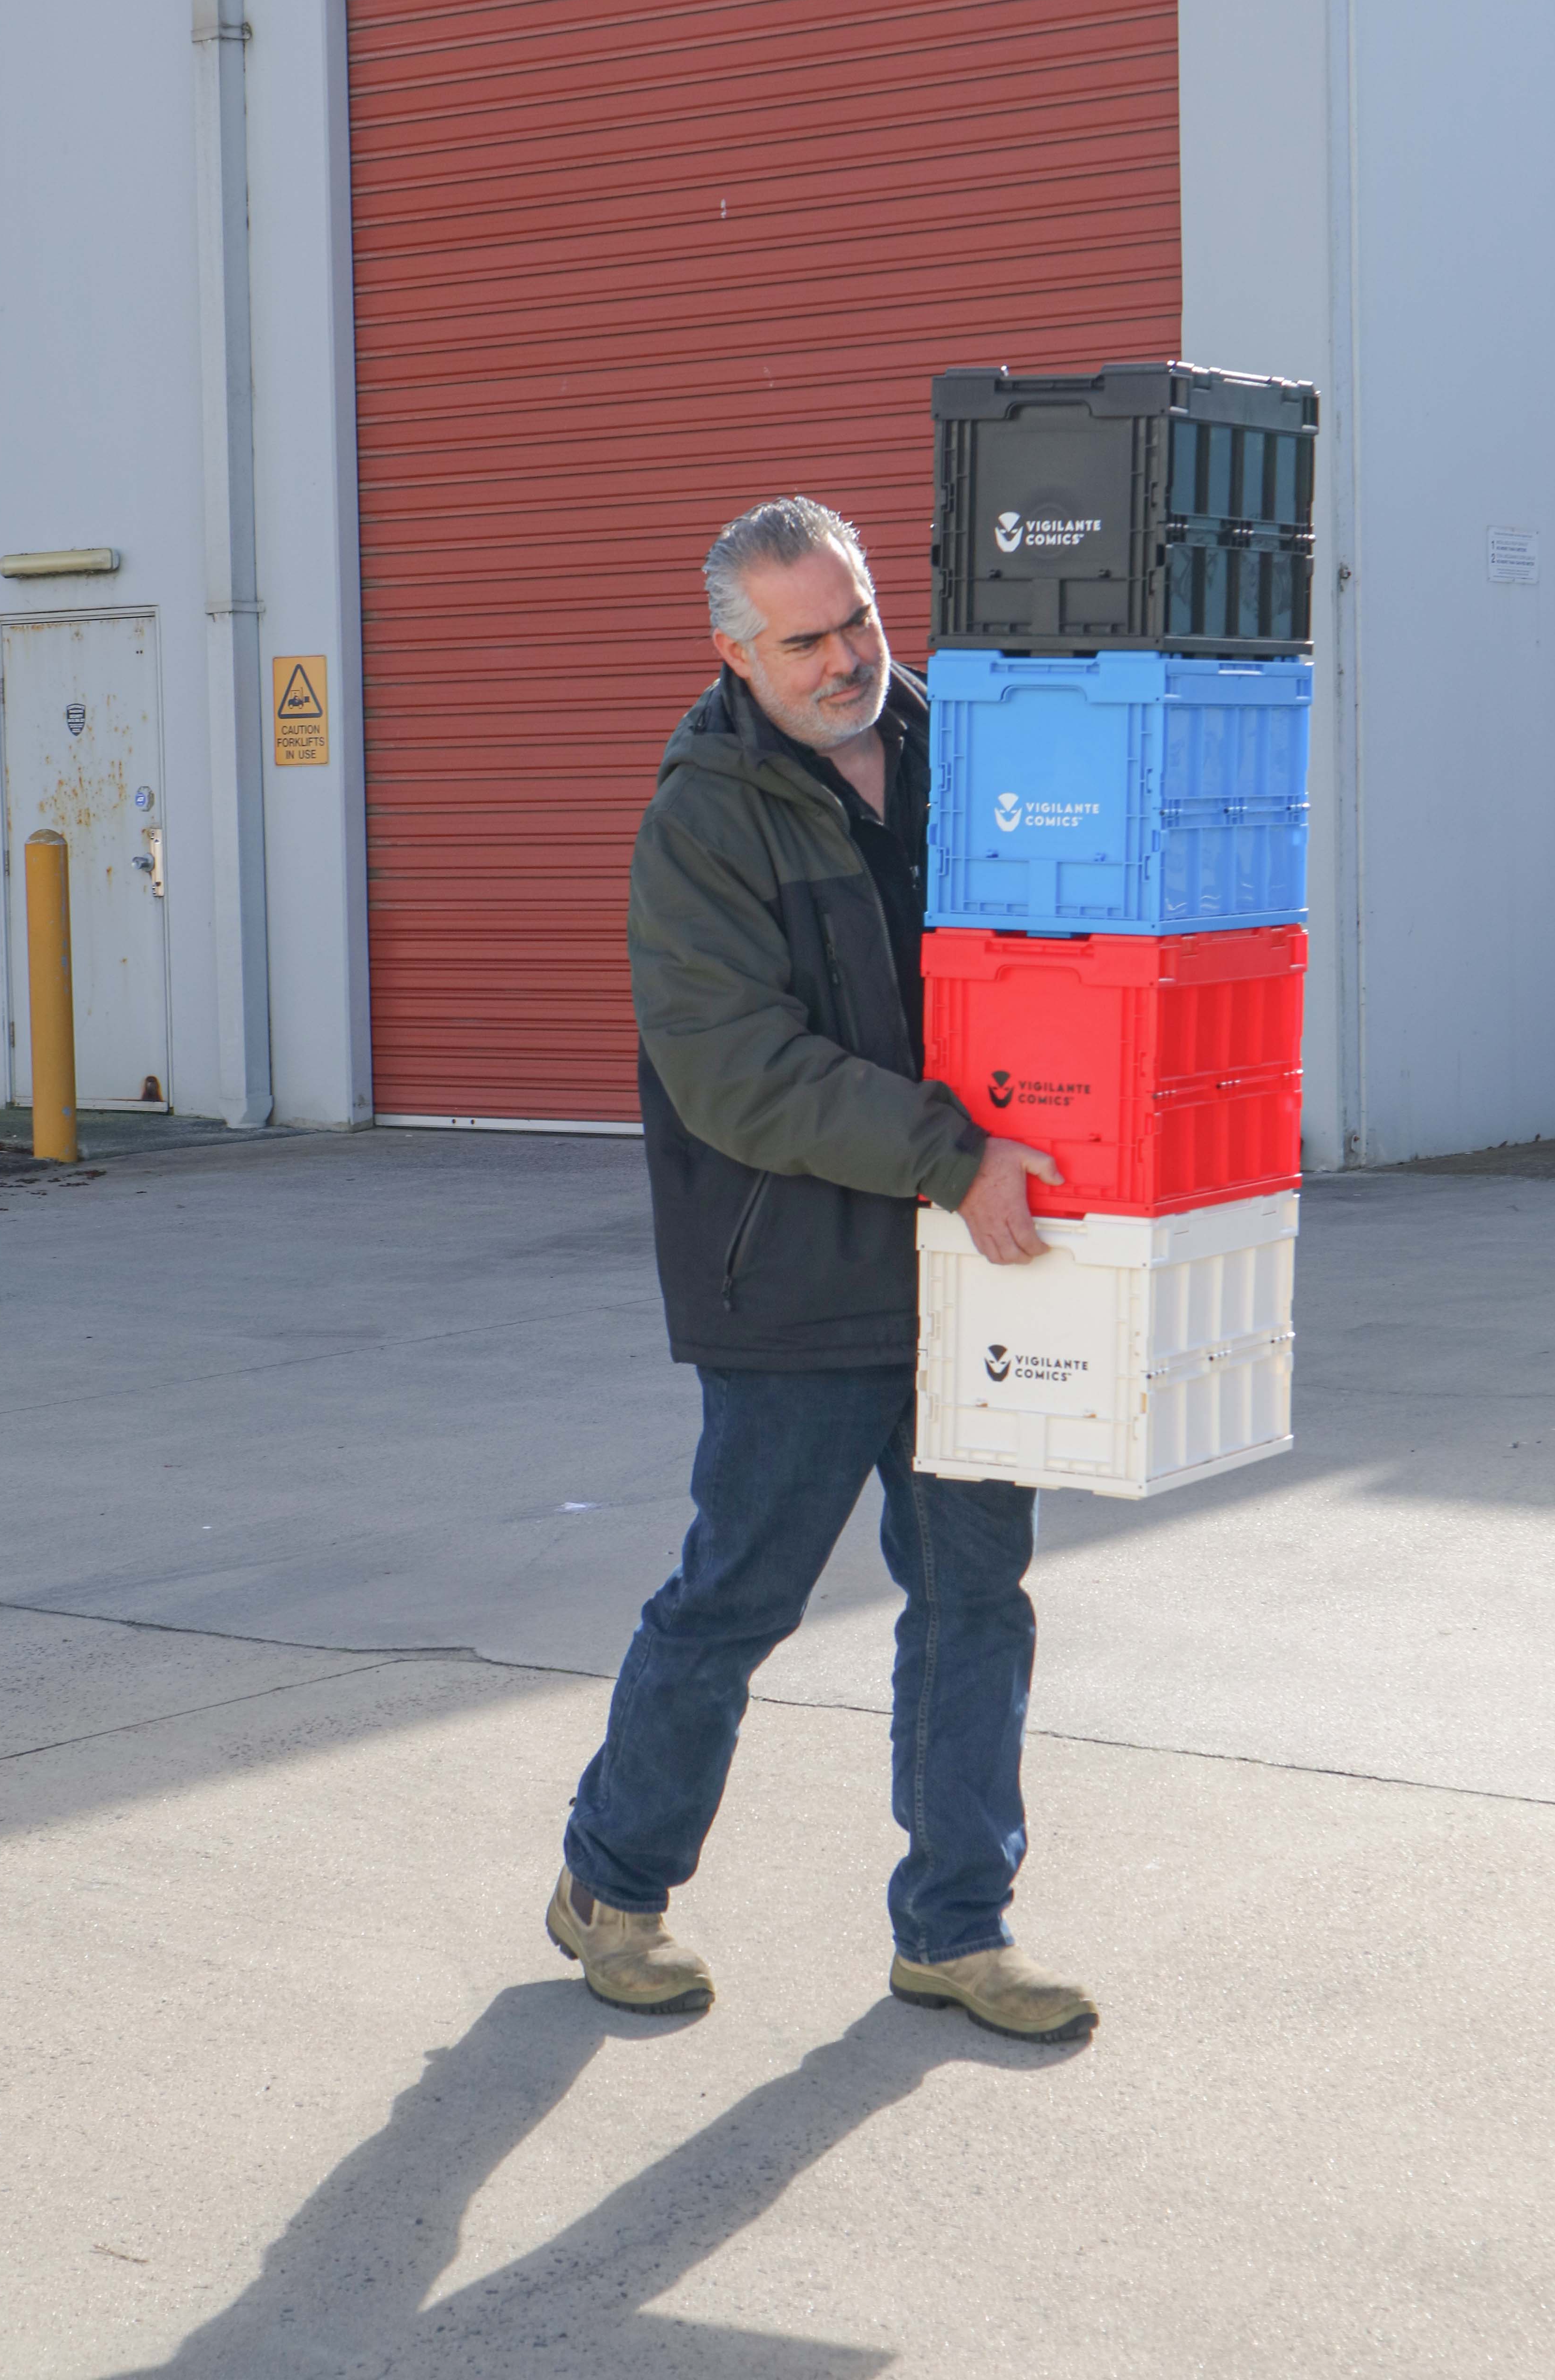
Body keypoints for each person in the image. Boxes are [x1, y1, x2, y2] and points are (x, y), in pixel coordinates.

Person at [546, 496, 1098, 2043]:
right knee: (737, 1602)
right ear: (734, 650)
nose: (852, 658)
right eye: (810, 639)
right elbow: (738, 1071)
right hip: (794, 1274)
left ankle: (958, 1931)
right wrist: (950, 1155)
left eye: (861, 619)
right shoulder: (705, 814)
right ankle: (615, 1887)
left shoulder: (951, 742)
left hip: (977, 1263)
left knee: (978, 1598)